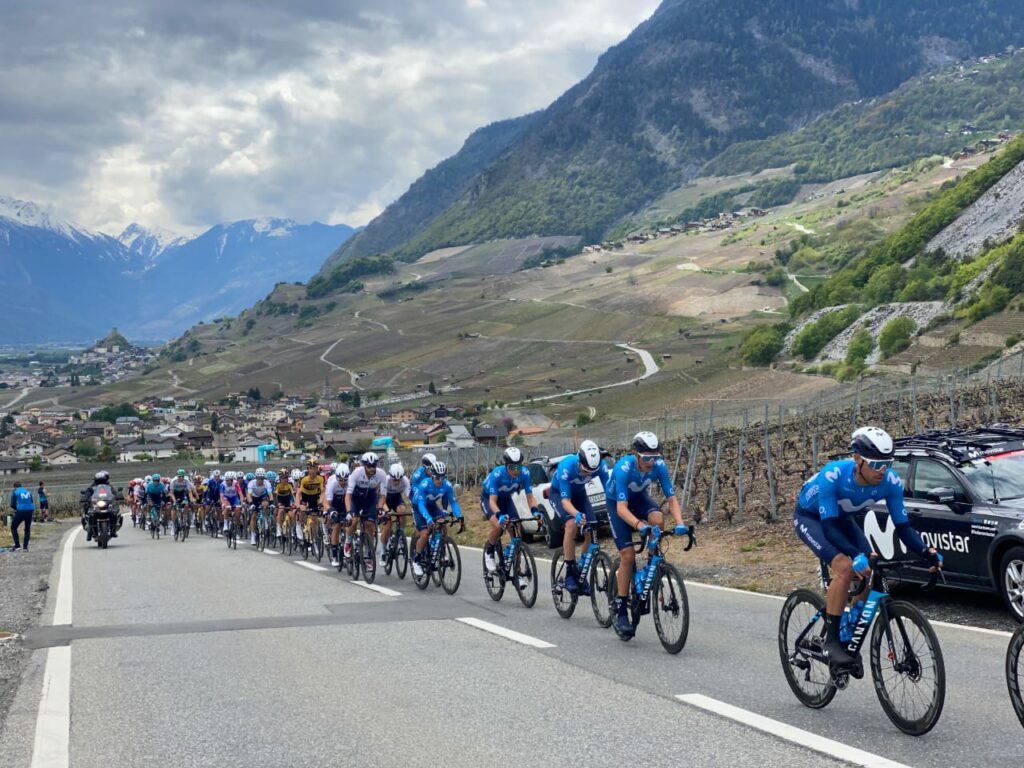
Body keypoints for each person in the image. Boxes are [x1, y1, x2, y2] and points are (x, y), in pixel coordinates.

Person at [794, 426, 943, 667]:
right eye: (875, 464)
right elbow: (829, 529)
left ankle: (848, 636)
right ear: (857, 460)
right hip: (812, 519)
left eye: (888, 464)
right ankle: (832, 643)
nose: (882, 471)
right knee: (845, 567)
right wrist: (854, 555)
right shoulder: (833, 475)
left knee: (868, 567)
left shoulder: (890, 482)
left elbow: (903, 527)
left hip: (842, 518)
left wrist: (926, 553)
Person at [608, 432, 687, 639]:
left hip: (640, 498)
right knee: (627, 556)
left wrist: (680, 524)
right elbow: (621, 509)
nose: (652, 462)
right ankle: (622, 607)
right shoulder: (623, 468)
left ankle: (653, 563)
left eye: (656, 457)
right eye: (647, 458)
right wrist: (638, 525)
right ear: (636, 455)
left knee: (658, 519)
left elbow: (671, 498)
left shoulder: (658, 466)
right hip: (618, 504)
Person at [551, 440, 610, 594]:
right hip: (559, 494)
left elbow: (610, 492)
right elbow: (565, 501)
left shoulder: (600, 467)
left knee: (591, 529)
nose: (588, 474)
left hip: (579, 494)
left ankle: (582, 570)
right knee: (571, 525)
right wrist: (576, 514)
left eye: (592, 471)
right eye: (585, 470)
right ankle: (570, 571)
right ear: (579, 460)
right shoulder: (566, 466)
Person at [480, 447, 539, 573]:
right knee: (498, 526)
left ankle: (517, 573)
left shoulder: (525, 473)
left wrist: (535, 511)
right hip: (489, 499)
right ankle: (489, 552)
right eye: (513, 467)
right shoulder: (497, 474)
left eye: (518, 467)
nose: (516, 471)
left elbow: (530, 496)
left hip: (506, 499)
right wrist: (500, 515)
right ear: (506, 465)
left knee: (516, 531)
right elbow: (492, 502)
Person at [411, 460, 464, 577]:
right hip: (419, 507)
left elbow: (453, 502)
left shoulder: (447, 485)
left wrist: (459, 516)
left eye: (442, 478)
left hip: (432, 506)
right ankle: (416, 559)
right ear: (432, 476)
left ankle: (440, 549)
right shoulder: (425, 484)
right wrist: (429, 519)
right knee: (424, 534)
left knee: (443, 527)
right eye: (437, 478)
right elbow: (421, 505)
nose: (440, 481)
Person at [343, 452, 387, 560]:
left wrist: (380, 508)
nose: (372, 469)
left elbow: (382, 495)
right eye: (369, 466)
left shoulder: (381, 474)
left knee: (370, 525)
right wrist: (349, 511)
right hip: (355, 499)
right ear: (364, 465)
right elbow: (348, 495)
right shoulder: (357, 473)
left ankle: (368, 552)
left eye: (374, 466)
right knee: (353, 520)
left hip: (370, 499)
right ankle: (348, 541)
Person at [379, 463, 410, 567]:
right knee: (387, 525)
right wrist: (387, 512)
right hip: (385, 499)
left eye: (398, 480)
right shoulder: (386, 480)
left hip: (396, 498)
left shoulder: (405, 480)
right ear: (390, 476)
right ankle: (383, 552)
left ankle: (401, 533)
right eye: (394, 480)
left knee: (402, 511)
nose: (397, 482)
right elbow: (381, 499)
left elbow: (409, 496)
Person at [83, 470, 123, 539]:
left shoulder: (109, 486)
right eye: (99, 481)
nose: (100, 482)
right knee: (88, 513)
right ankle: (89, 531)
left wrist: (118, 496)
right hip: (95, 504)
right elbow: (87, 493)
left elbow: (114, 492)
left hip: (107, 503)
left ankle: (113, 529)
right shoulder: (92, 487)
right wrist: (84, 498)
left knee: (114, 512)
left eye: (102, 480)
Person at [324, 463, 350, 566]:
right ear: (337, 477)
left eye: (345, 480)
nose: (343, 482)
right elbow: (327, 503)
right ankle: (334, 555)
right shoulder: (332, 483)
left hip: (346, 501)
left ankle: (347, 545)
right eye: (341, 480)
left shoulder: (351, 481)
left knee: (349, 523)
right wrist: (331, 511)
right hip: (334, 502)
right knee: (337, 525)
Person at [9, 481, 34, 552]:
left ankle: (17, 546)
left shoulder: (15, 492)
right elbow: (31, 501)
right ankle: (25, 548)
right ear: (21, 486)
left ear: (15, 487)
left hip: (21, 511)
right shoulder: (28, 492)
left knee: (13, 527)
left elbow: (12, 504)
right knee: (27, 528)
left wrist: (17, 509)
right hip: (30, 510)